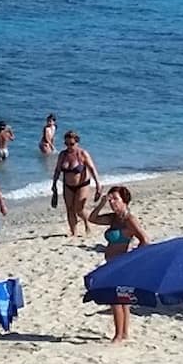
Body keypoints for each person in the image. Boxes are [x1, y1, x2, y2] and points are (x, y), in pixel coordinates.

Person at [89, 187, 148, 342]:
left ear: (124, 201)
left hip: (121, 264)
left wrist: (132, 257)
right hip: (111, 263)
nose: (112, 203)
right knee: (123, 300)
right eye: (111, 200)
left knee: (115, 299)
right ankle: (124, 334)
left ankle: (118, 335)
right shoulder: (114, 218)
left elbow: (145, 240)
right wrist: (101, 203)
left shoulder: (129, 220)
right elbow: (92, 219)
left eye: (115, 199)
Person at [51, 131, 102, 237]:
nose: (69, 146)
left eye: (72, 144)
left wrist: (98, 184)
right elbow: (57, 170)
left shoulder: (82, 154)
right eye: (66, 144)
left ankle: (87, 222)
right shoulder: (63, 155)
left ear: (77, 142)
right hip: (68, 185)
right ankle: (73, 232)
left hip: (82, 185)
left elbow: (92, 169)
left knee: (79, 209)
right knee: (69, 209)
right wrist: (54, 184)